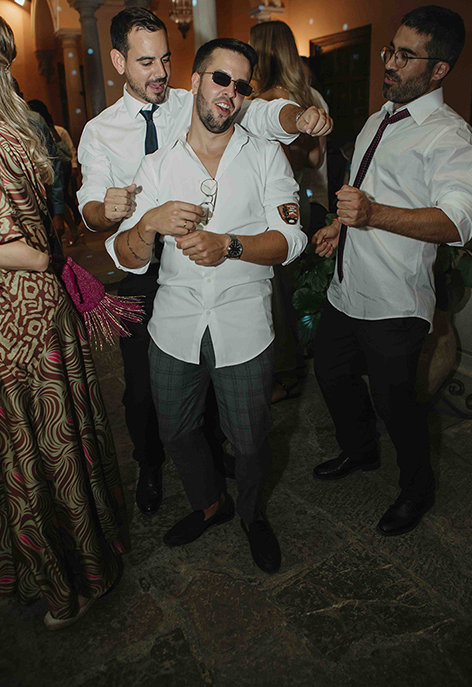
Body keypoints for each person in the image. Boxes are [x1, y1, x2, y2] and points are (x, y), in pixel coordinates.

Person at [76, 7, 332, 519]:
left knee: (237, 416)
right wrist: (118, 212)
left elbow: (262, 113)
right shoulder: (104, 133)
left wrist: (297, 118)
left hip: (232, 293)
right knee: (148, 400)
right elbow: (94, 213)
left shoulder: (206, 103)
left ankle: (233, 486)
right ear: (119, 61)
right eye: (146, 62)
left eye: (165, 60)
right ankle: (163, 474)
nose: (159, 73)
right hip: (151, 278)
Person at [108, 37, 307, 574]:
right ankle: (210, 504)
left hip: (244, 327)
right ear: (194, 81)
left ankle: (252, 515)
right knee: (175, 430)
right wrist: (149, 223)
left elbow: (292, 239)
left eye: (241, 85)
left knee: (250, 441)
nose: (230, 92)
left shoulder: (265, 156)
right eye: (221, 78)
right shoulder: (157, 166)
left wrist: (230, 245)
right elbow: (126, 256)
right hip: (174, 328)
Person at [0, 8, 128, 630]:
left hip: (17, 315)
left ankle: (74, 581)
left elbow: (32, 253)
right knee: (50, 436)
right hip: (28, 312)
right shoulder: (13, 127)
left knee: (38, 444)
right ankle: (81, 562)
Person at [311, 6, 472, 537]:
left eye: (406, 56)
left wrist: (373, 215)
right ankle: (360, 451)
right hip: (346, 290)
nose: (389, 62)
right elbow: (367, 193)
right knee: (332, 374)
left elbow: (458, 221)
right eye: (391, 49)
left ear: (439, 70)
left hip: (394, 300)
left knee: (396, 403)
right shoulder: (379, 118)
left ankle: (417, 489)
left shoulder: (449, 136)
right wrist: (340, 226)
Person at [248, 21, 330, 403]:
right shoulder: (311, 97)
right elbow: (315, 159)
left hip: (269, 207)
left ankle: (284, 374)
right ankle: (297, 360)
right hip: (301, 201)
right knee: (292, 289)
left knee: (274, 296)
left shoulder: (258, 103)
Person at [27, 99, 81, 245]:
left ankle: (74, 224)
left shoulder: (48, 128)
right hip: (54, 174)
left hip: (57, 171)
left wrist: (73, 166)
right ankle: (74, 225)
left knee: (64, 197)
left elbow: (66, 152)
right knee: (65, 198)